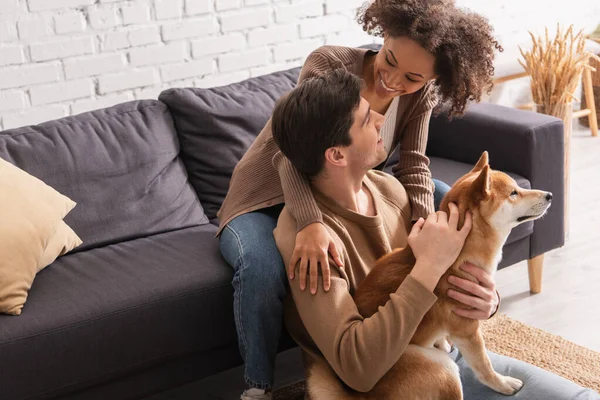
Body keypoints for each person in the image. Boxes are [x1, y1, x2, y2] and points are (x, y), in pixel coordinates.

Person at [218, 1, 502, 398]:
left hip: (335, 180)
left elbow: (414, 162)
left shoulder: (418, 97)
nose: (392, 81)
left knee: (443, 200)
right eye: (389, 60)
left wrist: (424, 231)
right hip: (266, 194)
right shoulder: (331, 66)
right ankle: (259, 386)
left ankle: (475, 301)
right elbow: (292, 156)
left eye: (412, 77)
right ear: (384, 34)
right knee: (260, 266)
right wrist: (310, 223)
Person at [273, 68, 600, 400]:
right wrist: (427, 269)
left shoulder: (389, 189)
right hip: (387, 383)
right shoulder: (309, 243)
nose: (379, 119)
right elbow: (358, 368)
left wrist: (486, 300)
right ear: (337, 155)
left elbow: (446, 281)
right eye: (364, 120)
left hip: (440, 351)